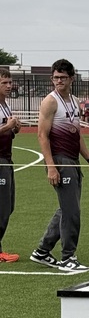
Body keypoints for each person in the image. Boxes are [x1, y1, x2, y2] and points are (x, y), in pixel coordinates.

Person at [30, 59, 89, 272]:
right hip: (60, 160)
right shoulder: (50, 102)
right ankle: (68, 257)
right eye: (55, 77)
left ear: (71, 78)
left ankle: (42, 251)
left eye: (62, 77)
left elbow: (77, 135)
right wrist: (51, 166)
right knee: (72, 212)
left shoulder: (74, 101)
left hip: (73, 160)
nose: (58, 81)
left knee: (67, 208)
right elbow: (42, 136)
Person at [0, 69, 22, 263]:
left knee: (8, 206)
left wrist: (14, 128)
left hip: (7, 159)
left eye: (10, 82)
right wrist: (7, 127)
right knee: (3, 207)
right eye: (4, 83)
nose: (9, 86)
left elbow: (7, 132)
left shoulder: (5, 105)